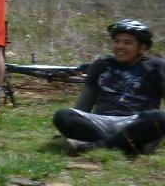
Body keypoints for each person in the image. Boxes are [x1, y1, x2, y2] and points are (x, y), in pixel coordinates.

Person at [57, 20, 165, 157]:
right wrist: (68, 126)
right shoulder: (102, 64)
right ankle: (125, 146)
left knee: (160, 118)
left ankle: (94, 147)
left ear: (142, 48)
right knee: (63, 115)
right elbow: (84, 104)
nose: (120, 46)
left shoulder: (156, 66)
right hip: (100, 122)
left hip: (135, 122)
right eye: (116, 41)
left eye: (127, 43)